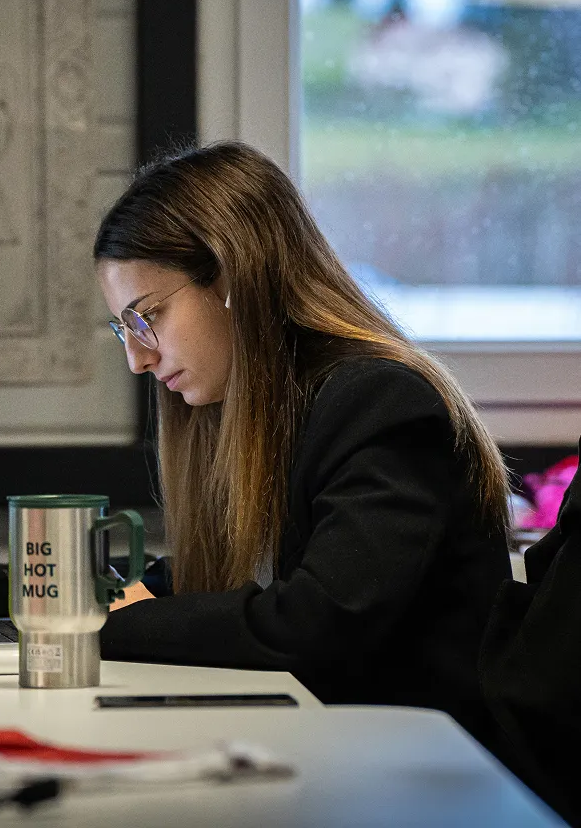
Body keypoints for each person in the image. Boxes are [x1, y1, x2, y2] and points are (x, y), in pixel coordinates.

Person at [94, 141, 512, 744]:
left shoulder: (380, 403)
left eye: (147, 316)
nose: (136, 358)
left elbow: (315, 624)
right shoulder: (253, 405)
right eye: (123, 328)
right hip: (328, 752)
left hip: (417, 774)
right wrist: (92, 602)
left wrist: (105, 627)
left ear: (232, 275)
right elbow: (221, 575)